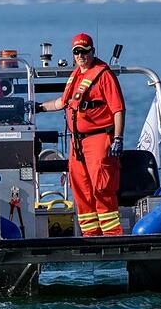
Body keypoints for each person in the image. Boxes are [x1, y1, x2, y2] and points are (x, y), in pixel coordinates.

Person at [34, 33, 126, 236]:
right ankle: (90, 234)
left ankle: (112, 235)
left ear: (92, 51)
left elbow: (118, 109)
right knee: (81, 189)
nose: (80, 55)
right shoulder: (76, 75)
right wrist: (38, 107)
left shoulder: (104, 75)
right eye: (77, 52)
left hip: (99, 138)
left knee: (102, 187)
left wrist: (118, 138)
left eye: (84, 51)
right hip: (77, 143)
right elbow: (62, 103)